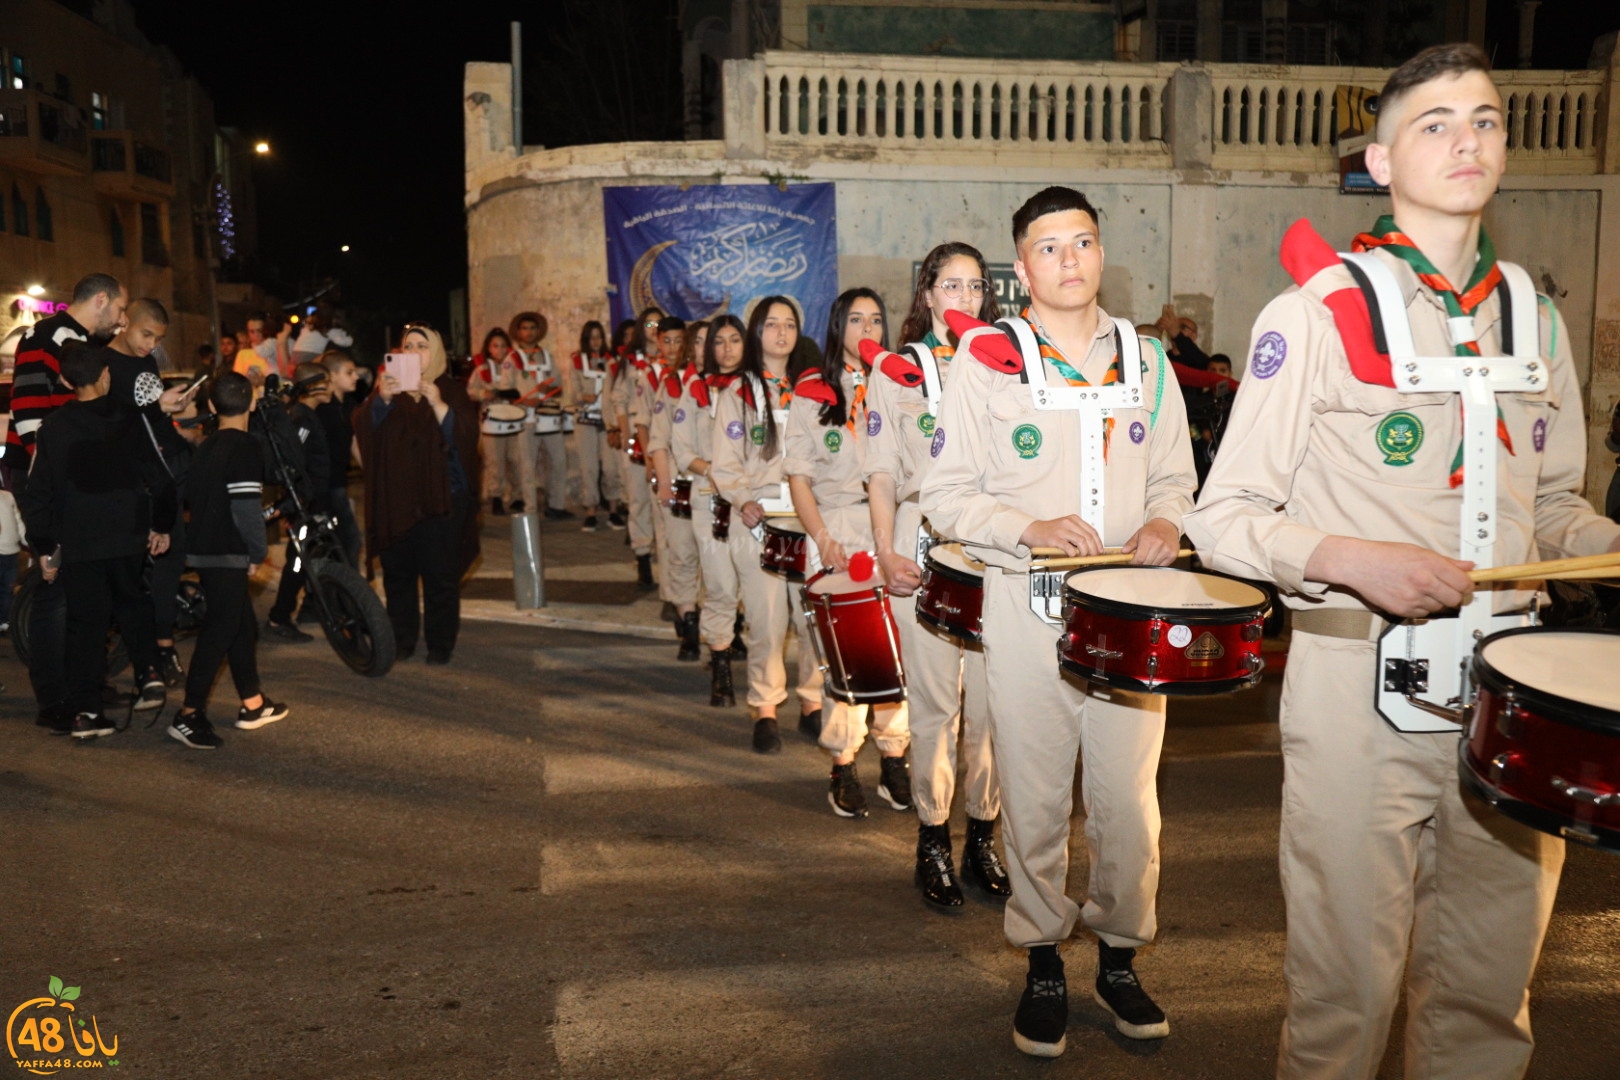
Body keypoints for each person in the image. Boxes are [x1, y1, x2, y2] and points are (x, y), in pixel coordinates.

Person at [1184, 44, 1620, 1080]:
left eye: (1484, 119)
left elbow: (1553, 506)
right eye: (1434, 123)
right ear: (1378, 161)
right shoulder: (1317, 312)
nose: (1466, 139)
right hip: (1354, 691)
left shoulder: (1536, 316)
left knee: (1487, 995)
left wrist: (1598, 545)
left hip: (1511, 699)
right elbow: (1225, 516)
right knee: (1345, 997)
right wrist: (1349, 557)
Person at [922, 186, 1196, 1057]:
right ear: (1022, 267)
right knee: (1035, 800)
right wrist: (1028, 529)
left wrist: (1164, 524)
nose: (1069, 259)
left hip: (1127, 621)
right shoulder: (986, 360)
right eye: (1049, 246)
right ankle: (1042, 957)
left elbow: (1176, 479)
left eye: (1083, 242)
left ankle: (1118, 957)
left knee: (1130, 807)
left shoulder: (1148, 361)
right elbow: (947, 496)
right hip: (1027, 609)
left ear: (1101, 254)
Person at [866, 243, 1007, 906]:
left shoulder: (1008, 363)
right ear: (926, 295)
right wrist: (886, 551)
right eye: (951, 285)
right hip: (921, 539)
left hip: (992, 545)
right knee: (932, 703)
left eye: (976, 287)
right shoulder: (899, 372)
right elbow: (883, 472)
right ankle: (932, 838)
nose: (965, 298)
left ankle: (981, 834)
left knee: (993, 704)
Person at [785, 288, 913, 818]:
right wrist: (823, 539)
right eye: (856, 319)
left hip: (896, 530)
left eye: (876, 320)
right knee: (849, 657)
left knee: (898, 654)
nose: (867, 329)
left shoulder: (902, 382)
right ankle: (843, 761)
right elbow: (798, 477)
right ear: (838, 326)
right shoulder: (813, 391)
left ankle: (894, 756)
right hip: (837, 528)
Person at [17, 344, 171, 739]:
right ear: (105, 375)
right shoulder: (130, 419)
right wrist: (162, 524)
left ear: (66, 381)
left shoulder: (52, 428)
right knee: (134, 602)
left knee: (86, 625)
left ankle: (86, 712)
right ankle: (150, 671)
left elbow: (37, 497)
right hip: (128, 534)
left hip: (80, 541)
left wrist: (47, 549)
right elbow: (160, 476)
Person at [3, 272, 128, 731]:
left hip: (52, 476)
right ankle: (55, 700)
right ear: (100, 300)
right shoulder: (58, 337)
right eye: (118, 308)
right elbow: (33, 416)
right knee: (55, 590)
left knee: (79, 585)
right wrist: (52, 487)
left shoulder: (58, 336)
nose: (121, 319)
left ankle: (81, 685)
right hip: (47, 478)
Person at [709, 297, 825, 751]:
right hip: (757, 520)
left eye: (789, 324)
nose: (781, 333)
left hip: (808, 520)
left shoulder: (814, 389)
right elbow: (724, 464)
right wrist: (743, 499)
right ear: (757, 333)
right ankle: (765, 707)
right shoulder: (737, 392)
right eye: (772, 324)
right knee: (766, 620)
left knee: (812, 616)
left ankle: (812, 701)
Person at [170, 371, 289, 749]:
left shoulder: (206, 446)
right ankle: (188, 715)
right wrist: (257, 551)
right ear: (253, 403)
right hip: (226, 552)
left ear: (209, 406)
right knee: (220, 630)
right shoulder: (245, 447)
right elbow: (245, 508)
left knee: (241, 625)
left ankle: (253, 703)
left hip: (204, 548)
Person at [353, 324, 479, 664]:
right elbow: (364, 431)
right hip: (398, 502)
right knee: (399, 577)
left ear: (435, 352)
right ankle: (402, 639)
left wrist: (438, 406)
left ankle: (440, 645)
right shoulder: (386, 391)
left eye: (422, 346)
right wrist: (381, 401)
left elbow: (468, 438)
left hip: (441, 503)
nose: (413, 352)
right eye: (408, 346)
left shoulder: (450, 390)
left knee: (440, 579)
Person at [105, 298, 199, 686]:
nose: (150, 346)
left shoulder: (146, 361)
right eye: (146, 335)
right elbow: (108, 423)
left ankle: (163, 644)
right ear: (125, 322)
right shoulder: (104, 364)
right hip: (135, 477)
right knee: (148, 560)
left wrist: (171, 409)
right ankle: (156, 650)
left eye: (157, 339)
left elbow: (149, 414)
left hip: (168, 462)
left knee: (173, 556)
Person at [674, 314, 748, 703]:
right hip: (711, 501)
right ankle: (720, 665)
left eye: (734, 340)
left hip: (755, 505)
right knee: (720, 585)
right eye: (719, 342)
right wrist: (714, 472)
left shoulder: (759, 389)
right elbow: (681, 449)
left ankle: (761, 669)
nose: (727, 349)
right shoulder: (695, 390)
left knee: (758, 591)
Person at [646, 316, 703, 655]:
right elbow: (659, 440)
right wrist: (664, 486)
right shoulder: (670, 384)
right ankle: (690, 627)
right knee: (682, 557)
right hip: (682, 486)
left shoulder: (725, 383)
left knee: (719, 563)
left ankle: (730, 630)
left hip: (719, 488)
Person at [262, 362, 331, 641]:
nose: (330, 386)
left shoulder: (309, 414)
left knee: (305, 557)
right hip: (303, 502)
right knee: (298, 561)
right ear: (312, 386)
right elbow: (292, 456)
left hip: (311, 500)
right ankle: (279, 617)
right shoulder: (302, 418)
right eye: (326, 380)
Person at [611, 308, 664, 587]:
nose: (654, 328)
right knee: (639, 497)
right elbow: (618, 398)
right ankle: (642, 555)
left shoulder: (671, 358)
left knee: (663, 497)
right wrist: (624, 433)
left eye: (659, 323)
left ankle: (666, 557)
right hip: (635, 430)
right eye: (649, 323)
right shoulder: (631, 361)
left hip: (664, 433)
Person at [469, 327, 537, 516]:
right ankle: (496, 496)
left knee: (516, 458)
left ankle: (516, 496)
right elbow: (470, 391)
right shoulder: (482, 369)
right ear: (489, 348)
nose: (499, 350)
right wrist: (484, 393)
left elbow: (522, 387)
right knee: (495, 460)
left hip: (513, 418)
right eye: (495, 346)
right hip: (492, 420)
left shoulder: (514, 366)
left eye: (503, 346)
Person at [511, 312, 573, 520]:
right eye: (525, 328)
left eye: (533, 328)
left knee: (559, 460)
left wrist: (548, 390)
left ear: (539, 331)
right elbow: (505, 391)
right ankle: (530, 510)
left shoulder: (547, 356)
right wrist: (522, 399)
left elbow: (559, 386)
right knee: (528, 465)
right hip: (526, 418)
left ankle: (556, 505)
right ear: (518, 332)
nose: (529, 332)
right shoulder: (513, 359)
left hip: (549, 416)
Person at [564, 320, 622, 531]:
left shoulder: (611, 361)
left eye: (599, 337)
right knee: (589, 468)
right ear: (586, 340)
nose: (596, 341)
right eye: (591, 338)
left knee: (610, 467)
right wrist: (583, 396)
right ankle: (591, 511)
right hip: (585, 420)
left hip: (607, 421)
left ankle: (614, 510)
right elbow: (571, 393)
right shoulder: (577, 361)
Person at [313, 350, 363, 566]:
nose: (356, 376)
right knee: (348, 541)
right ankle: (346, 593)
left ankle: (337, 593)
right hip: (324, 487)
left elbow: (354, 443)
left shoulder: (349, 405)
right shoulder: (322, 407)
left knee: (341, 542)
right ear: (332, 376)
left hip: (338, 484)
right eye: (349, 372)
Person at [235, 311, 290, 385]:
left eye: (259, 330)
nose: (256, 335)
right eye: (252, 331)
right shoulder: (243, 354)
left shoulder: (278, 344)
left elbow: (288, 377)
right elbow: (238, 381)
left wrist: (264, 382)